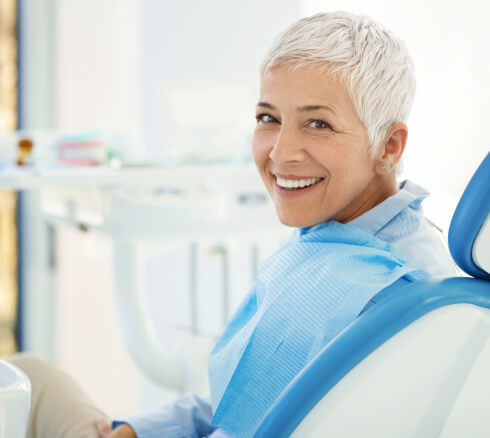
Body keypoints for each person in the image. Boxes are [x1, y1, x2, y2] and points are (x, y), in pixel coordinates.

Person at [11, 11, 457, 438]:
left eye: (318, 124)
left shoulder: (392, 290)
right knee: (29, 375)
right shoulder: (341, 241)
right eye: (269, 118)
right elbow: (249, 397)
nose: (281, 153)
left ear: (389, 146)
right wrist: (136, 431)